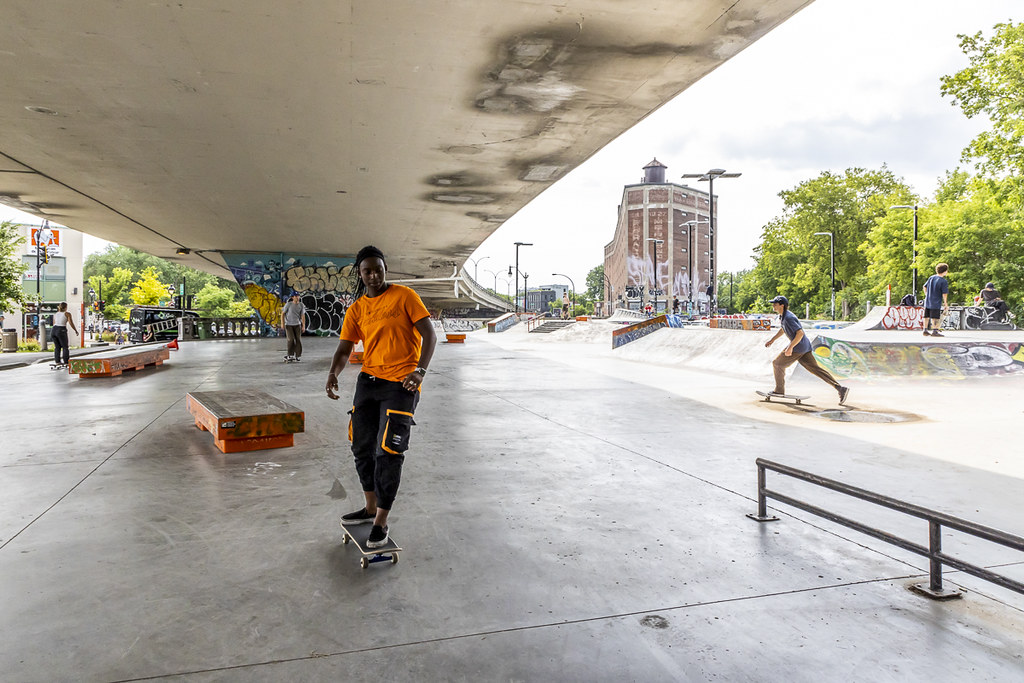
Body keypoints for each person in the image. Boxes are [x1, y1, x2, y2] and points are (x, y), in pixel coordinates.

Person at [326, 245, 437, 548]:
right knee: (362, 446)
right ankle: (370, 506)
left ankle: (381, 521)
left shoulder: (405, 296)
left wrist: (420, 371)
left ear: (386, 269)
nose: (373, 275)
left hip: (402, 385)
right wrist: (333, 373)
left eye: (378, 269)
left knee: (388, 451)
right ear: (360, 274)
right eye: (367, 271)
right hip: (369, 382)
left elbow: (430, 335)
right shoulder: (357, 309)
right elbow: (345, 348)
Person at [764, 295, 849, 405]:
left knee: (777, 364)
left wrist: (790, 347)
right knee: (816, 369)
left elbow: (800, 333)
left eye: (775, 304)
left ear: (782, 305)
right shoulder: (783, 317)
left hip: (798, 347)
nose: (773, 305)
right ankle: (840, 388)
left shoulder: (789, 317)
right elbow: (783, 329)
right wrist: (772, 340)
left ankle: (779, 390)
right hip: (804, 347)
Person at [922, 263, 950, 337]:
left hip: (928, 300)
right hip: (936, 301)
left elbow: (924, 287)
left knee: (926, 315)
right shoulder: (943, 281)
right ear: (944, 271)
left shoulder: (931, 277)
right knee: (935, 317)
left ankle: (925, 330)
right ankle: (935, 331)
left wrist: (927, 295)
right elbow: (944, 293)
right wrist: (946, 303)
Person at [280, 293, 306, 361]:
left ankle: (297, 355)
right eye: (295, 296)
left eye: (298, 296)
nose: (297, 297)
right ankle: (290, 354)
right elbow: (282, 314)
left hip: (297, 324)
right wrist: (282, 323)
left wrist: (303, 326)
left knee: (298, 340)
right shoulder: (289, 304)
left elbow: (302, 316)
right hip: (289, 325)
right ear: (292, 297)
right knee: (291, 339)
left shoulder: (301, 305)